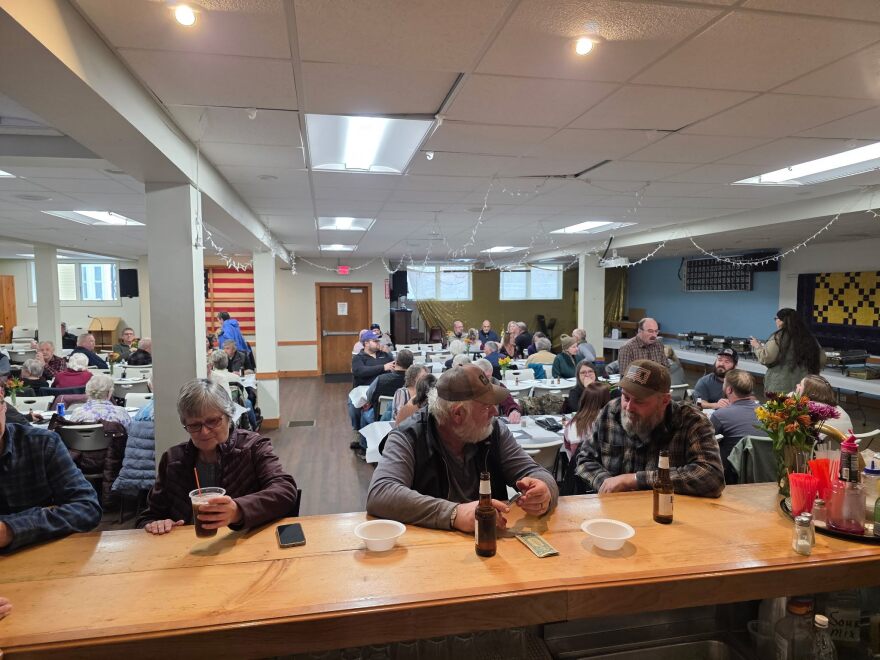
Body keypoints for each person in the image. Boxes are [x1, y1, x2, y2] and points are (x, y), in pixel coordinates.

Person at [367, 364, 558, 530]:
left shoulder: (494, 430)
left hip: (492, 546)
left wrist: (544, 492)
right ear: (457, 415)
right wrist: (455, 514)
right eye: (486, 406)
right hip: (431, 553)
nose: (495, 412)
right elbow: (381, 493)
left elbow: (535, 472)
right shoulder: (409, 436)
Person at [136, 379, 298, 535]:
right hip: (186, 551)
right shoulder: (173, 459)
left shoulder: (253, 447)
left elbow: (285, 490)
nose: (204, 431)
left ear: (229, 417)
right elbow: (149, 517)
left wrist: (238, 510)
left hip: (241, 544)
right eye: (194, 425)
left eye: (212, 421)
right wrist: (158, 523)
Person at [575, 359, 724, 497]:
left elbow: (712, 476)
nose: (629, 407)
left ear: (665, 400)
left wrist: (635, 480)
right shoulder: (610, 413)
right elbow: (585, 459)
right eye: (626, 397)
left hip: (669, 514)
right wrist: (609, 484)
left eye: (639, 401)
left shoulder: (691, 422)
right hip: (615, 514)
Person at [0, 382, 102, 552]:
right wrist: (45, 514)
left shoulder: (42, 444)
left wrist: (9, 529)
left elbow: (87, 507)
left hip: (46, 556)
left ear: (4, 407)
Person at [751, 308, 825, 394]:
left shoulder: (779, 337)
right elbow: (822, 360)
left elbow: (766, 358)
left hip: (781, 385)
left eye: (776, 319)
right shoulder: (809, 337)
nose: (775, 321)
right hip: (805, 385)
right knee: (802, 407)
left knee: (779, 407)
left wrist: (757, 346)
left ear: (782, 321)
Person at [709, 369, 760, 485]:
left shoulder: (720, 415)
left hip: (732, 478)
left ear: (729, 389)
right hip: (764, 475)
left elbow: (703, 440)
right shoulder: (768, 413)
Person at [348, 331, 395, 436]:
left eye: (378, 340)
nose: (378, 343)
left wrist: (389, 353)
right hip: (363, 391)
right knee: (353, 407)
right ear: (366, 343)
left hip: (382, 390)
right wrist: (383, 367)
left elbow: (394, 366)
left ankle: (377, 435)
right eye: (375, 341)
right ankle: (358, 432)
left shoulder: (385, 355)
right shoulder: (358, 358)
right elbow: (360, 371)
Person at [361, 349, 414, 429]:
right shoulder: (414, 382)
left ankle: (365, 440)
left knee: (363, 413)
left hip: (379, 417)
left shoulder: (381, 379)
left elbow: (369, 397)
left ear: (395, 362)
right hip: (407, 418)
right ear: (412, 364)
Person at [563, 382, 611, 459]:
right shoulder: (610, 420)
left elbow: (573, 454)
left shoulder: (573, 424)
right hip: (593, 467)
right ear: (607, 399)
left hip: (579, 466)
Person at [474, 358, 522, 424]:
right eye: (482, 377)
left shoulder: (498, 385)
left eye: (488, 376)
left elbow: (510, 403)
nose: (485, 380)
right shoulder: (467, 388)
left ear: (492, 373)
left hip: (493, 424)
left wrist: (513, 411)